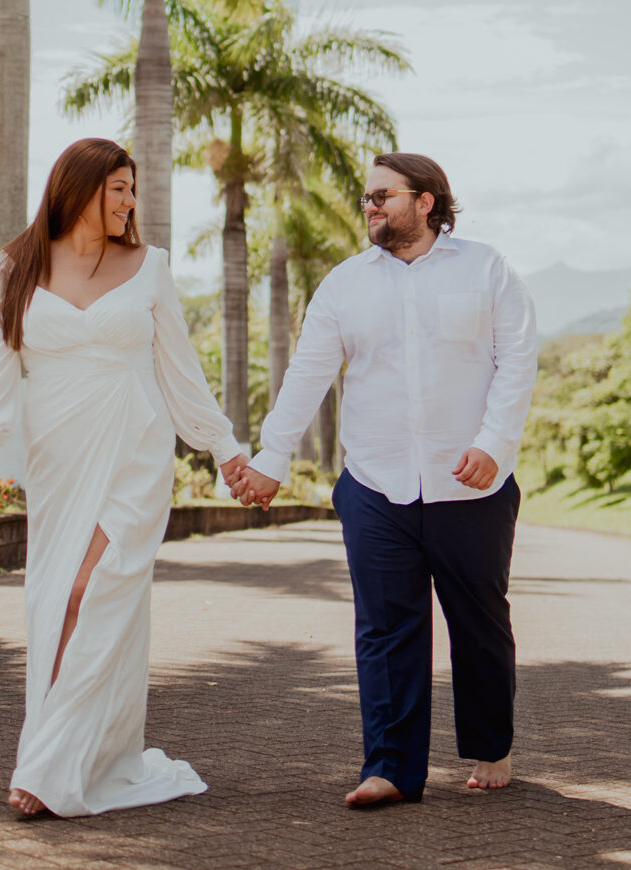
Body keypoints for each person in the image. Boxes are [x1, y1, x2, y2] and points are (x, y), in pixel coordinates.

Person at [0, 138, 247, 817]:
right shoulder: (13, 266)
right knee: (53, 603)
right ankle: (73, 755)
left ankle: (44, 766)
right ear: (78, 188)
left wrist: (222, 447)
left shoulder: (149, 267)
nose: (129, 201)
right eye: (117, 188)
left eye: (131, 189)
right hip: (58, 459)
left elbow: (178, 369)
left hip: (134, 452)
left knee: (93, 588)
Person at [230, 153, 537, 805]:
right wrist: (271, 459)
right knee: (384, 627)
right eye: (364, 197)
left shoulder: (485, 269)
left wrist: (492, 443)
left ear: (425, 201)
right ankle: (390, 767)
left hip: (472, 486)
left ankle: (490, 746)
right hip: (373, 484)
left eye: (381, 195)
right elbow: (307, 375)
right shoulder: (344, 284)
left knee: (479, 623)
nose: (368, 205)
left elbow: (516, 361)